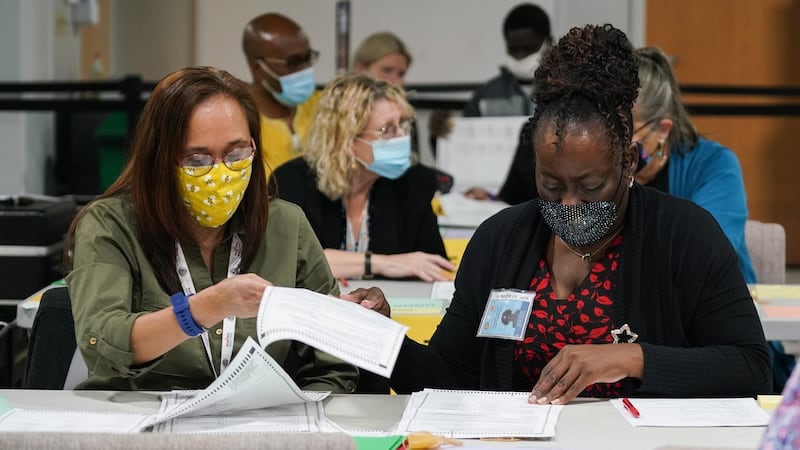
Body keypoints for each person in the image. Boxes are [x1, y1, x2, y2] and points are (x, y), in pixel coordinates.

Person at [380, 24, 771, 404]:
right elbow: (450, 376)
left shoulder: (683, 234)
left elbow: (751, 367)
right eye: (551, 186)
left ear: (629, 162)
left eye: (590, 188)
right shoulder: (501, 241)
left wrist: (632, 358)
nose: (568, 204)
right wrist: (381, 339)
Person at [65, 66, 358, 392]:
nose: (221, 171)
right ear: (161, 159)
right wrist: (208, 307)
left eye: (236, 153)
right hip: (143, 424)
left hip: (260, 426)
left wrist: (300, 420)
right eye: (197, 159)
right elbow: (102, 343)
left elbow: (333, 363)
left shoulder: (286, 225)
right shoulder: (111, 225)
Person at [271, 73, 455, 393]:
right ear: (346, 138)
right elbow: (295, 263)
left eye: (403, 126)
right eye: (387, 130)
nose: (401, 138)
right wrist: (384, 263)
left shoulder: (413, 183)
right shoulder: (291, 182)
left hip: (384, 327)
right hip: (311, 333)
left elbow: (430, 264)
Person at [242, 12, 321, 172]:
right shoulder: (242, 123)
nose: (304, 69)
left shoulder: (326, 106)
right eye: (293, 62)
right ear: (257, 68)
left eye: (307, 58)